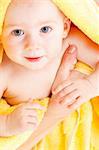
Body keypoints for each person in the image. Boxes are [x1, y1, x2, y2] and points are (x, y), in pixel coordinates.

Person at [0, 0, 98, 149]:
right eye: (17, 32)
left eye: (45, 29)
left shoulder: (69, 42)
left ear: (65, 27)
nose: (33, 45)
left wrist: (91, 86)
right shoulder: (4, 72)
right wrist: (7, 124)